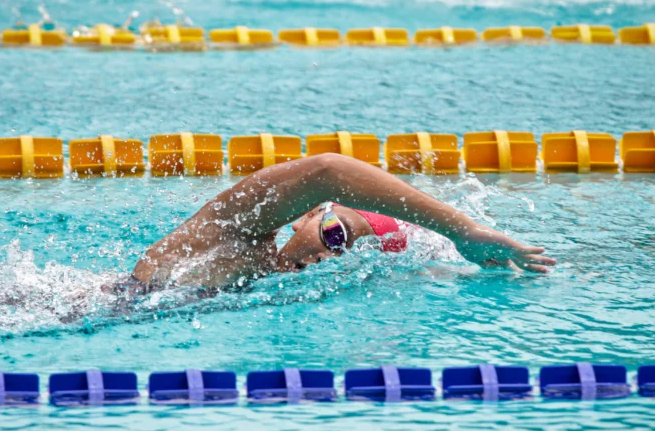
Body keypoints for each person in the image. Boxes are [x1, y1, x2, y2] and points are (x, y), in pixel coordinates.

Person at [122, 153, 555, 294]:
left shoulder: (260, 270)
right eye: (334, 235)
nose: (325, 255)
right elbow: (329, 170)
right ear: (305, 213)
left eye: (340, 250)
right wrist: (464, 230)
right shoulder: (232, 231)